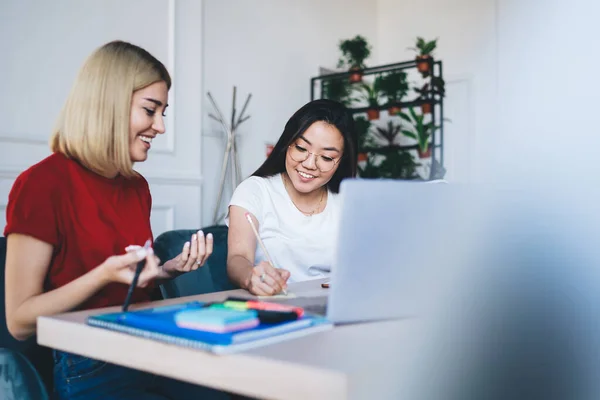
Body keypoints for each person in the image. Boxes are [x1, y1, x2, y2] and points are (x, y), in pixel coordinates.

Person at [4, 40, 226, 399]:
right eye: (150, 110)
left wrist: (168, 270)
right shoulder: (41, 184)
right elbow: (19, 321)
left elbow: (129, 283)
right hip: (89, 360)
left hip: (148, 342)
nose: (160, 127)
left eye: (163, 113)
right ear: (109, 104)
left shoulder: (136, 186)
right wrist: (103, 274)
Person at [226, 99, 358, 296]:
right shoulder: (255, 190)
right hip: (277, 307)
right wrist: (251, 277)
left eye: (327, 157)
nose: (310, 164)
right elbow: (238, 258)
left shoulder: (347, 201)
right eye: (301, 148)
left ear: (341, 161)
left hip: (335, 308)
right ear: (288, 143)